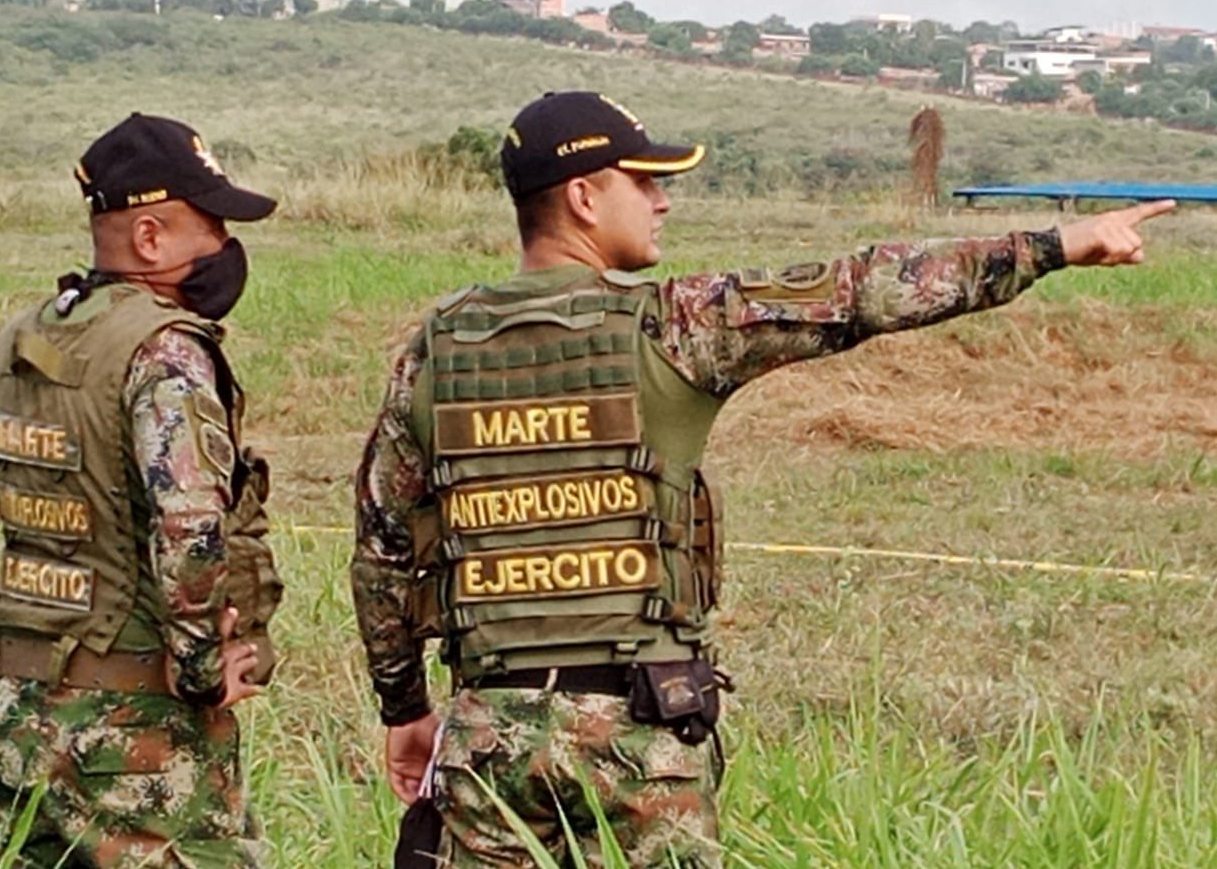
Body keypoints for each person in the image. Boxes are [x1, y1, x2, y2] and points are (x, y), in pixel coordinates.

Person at [351, 90, 1174, 868]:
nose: (664, 200)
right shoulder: (678, 326)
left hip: (487, 741)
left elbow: (382, 551)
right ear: (583, 198)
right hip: (641, 744)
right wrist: (1056, 245)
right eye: (645, 182)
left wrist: (405, 710)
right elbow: (863, 289)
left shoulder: (434, 352)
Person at [0, 112, 284, 868]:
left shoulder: (12, 347)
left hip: (20, 731)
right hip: (142, 743)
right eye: (212, 223)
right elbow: (191, 528)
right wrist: (200, 672)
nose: (226, 246)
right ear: (151, 238)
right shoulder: (165, 352)